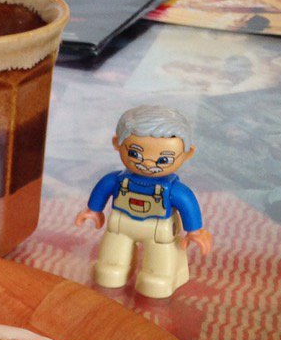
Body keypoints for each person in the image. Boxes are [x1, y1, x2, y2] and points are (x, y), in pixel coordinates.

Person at [75, 105, 212, 299]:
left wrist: (195, 230)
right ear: (117, 144)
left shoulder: (173, 190)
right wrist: (93, 210)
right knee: (110, 263)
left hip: (158, 229)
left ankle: (158, 276)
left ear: (187, 154)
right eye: (135, 154)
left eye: (163, 159)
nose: (147, 163)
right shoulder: (117, 180)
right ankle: (113, 267)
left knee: (159, 264)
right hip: (120, 224)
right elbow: (103, 189)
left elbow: (187, 203)